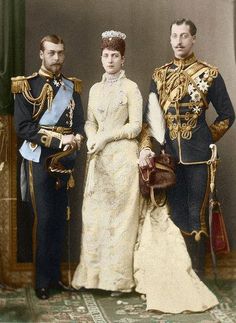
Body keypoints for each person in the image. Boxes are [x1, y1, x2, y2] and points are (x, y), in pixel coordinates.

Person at [139, 18, 235, 279]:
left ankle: (197, 275)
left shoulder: (209, 74)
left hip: (198, 159)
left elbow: (227, 115)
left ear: (194, 39)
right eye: (174, 36)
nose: (179, 41)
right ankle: (177, 275)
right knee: (174, 212)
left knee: (196, 214)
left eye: (184, 36)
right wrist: (146, 149)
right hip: (168, 159)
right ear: (170, 39)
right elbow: (150, 121)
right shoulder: (159, 75)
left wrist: (206, 138)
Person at [12, 34, 85, 300]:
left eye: (60, 53)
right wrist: (57, 139)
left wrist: (77, 138)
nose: (57, 58)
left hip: (65, 159)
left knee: (60, 220)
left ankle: (56, 277)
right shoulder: (25, 87)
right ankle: (42, 281)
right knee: (44, 220)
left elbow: (79, 124)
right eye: (51, 53)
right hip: (39, 158)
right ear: (41, 54)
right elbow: (23, 127)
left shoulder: (72, 87)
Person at [72, 30, 143, 294]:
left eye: (115, 55)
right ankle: (93, 279)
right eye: (106, 55)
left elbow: (135, 126)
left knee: (121, 219)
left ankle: (119, 281)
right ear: (101, 57)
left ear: (123, 59)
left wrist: (105, 137)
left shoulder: (131, 88)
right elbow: (90, 121)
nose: (110, 60)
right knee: (94, 218)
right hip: (99, 159)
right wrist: (92, 137)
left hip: (124, 158)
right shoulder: (96, 89)